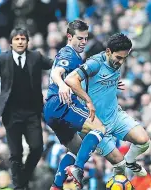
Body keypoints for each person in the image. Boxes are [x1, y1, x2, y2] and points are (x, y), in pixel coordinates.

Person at [64, 33, 151, 186]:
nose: (121, 61)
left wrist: (111, 84)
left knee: (144, 141)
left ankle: (131, 161)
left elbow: (101, 80)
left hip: (114, 115)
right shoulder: (95, 63)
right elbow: (71, 79)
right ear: (108, 51)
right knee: (119, 164)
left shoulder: (116, 61)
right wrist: (88, 101)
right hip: (95, 124)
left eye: (125, 58)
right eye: (118, 57)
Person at [0, 27, 53, 190]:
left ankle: (22, 180)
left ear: (27, 41)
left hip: (32, 112)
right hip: (11, 113)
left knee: (37, 147)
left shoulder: (36, 57)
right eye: (17, 39)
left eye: (23, 39)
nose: (20, 42)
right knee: (16, 153)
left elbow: (55, 65)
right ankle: (20, 186)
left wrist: (71, 62)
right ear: (11, 42)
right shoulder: (1, 59)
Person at [43, 20, 106, 190]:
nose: (83, 42)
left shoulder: (75, 56)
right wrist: (63, 85)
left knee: (77, 150)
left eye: (86, 38)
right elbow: (57, 72)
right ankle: (77, 169)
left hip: (50, 110)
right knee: (100, 129)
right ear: (69, 37)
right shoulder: (68, 54)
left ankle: (56, 186)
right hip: (61, 104)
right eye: (79, 38)